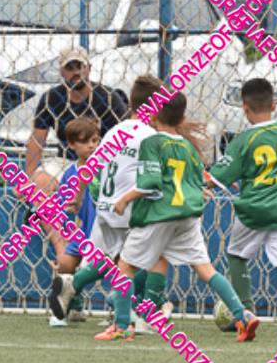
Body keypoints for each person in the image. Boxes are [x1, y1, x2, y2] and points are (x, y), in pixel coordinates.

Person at [105, 93, 256, 343]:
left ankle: (121, 326)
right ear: (183, 118)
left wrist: (125, 199)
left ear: (152, 116)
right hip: (188, 216)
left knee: (126, 266)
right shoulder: (187, 147)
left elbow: (150, 182)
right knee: (206, 269)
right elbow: (197, 179)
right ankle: (242, 316)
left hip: (159, 215)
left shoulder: (152, 143)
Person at [49, 74, 172, 335]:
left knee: (106, 262)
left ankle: (72, 286)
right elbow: (158, 176)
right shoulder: (150, 137)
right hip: (128, 210)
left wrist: (78, 195)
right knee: (153, 258)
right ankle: (141, 315)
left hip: (105, 209)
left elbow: (90, 167)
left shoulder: (115, 131)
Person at [208, 78, 277, 338]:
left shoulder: (242, 141)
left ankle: (245, 313)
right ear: (274, 105)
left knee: (237, 255)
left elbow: (217, 178)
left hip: (253, 210)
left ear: (244, 107)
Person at [25, 45, 128, 194]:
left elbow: (123, 139)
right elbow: (37, 140)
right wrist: (28, 179)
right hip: (64, 160)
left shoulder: (109, 98)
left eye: (80, 66)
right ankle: (46, 210)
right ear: (61, 72)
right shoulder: (51, 98)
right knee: (39, 182)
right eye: (70, 68)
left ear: (89, 68)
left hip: (100, 160)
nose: (76, 72)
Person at [48, 117, 99, 327]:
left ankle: (125, 311)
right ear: (71, 145)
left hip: (106, 232)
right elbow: (62, 205)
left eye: (95, 140)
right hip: (84, 231)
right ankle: (68, 307)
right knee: (66, 264)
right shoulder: (70, 173)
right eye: (85, 141)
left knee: (119, 271)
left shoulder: (105, 167)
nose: (91, 146)